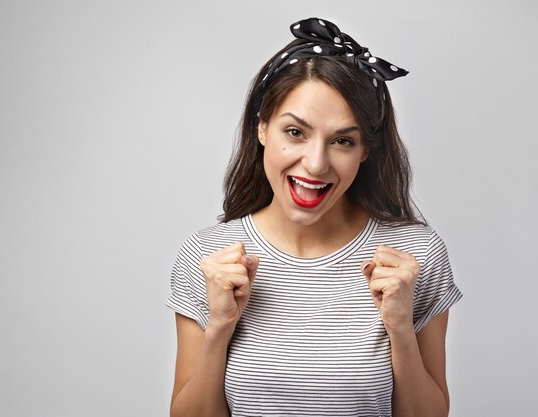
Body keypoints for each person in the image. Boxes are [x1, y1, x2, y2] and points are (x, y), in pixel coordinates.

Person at [166, 17, 462, 417]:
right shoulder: (207, 256)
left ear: (365, 150)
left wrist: (400, 329)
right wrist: (220, 326)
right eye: (295, 132)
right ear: (263, 128)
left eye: (342, 140)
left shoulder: (415, 255)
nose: (316, 163)